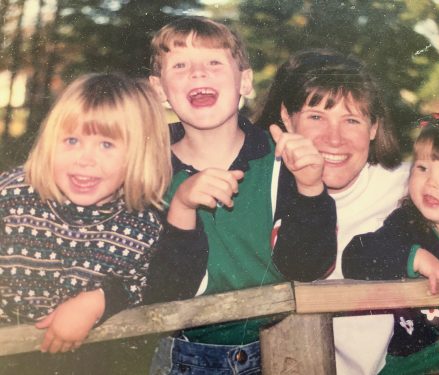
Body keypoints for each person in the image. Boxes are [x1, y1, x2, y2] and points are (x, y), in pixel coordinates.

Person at [147, 16, 337, 374]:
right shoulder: (148, 171)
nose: (198, 74)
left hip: (281, 346)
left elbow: (309, 266)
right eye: (181, 65)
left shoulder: (279, 156)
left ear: (245, 81)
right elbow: (161, 292)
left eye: (214, 62)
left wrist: (310, 188)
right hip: (184, 353)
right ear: (158, 89)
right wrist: (182, 207)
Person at [0, 73, 208, 362]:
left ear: (139, 154)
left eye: (106, 145)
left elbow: (156, 289)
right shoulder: (11, 196)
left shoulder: (142, 224)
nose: (85, 159)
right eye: (72, 140)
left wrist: (99, 300)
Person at [256, 49, 410, 375]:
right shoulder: (256, 192)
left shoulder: (409, 188)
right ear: (287, 117)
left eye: (351, 120)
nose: (334, 139)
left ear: (373, 128)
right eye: (316, 117)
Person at [342, 118, 439, 375]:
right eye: (422, 168)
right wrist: (417, 258)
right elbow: (355, 256)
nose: (432, 183)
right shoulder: (406, 226)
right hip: (423, 357)